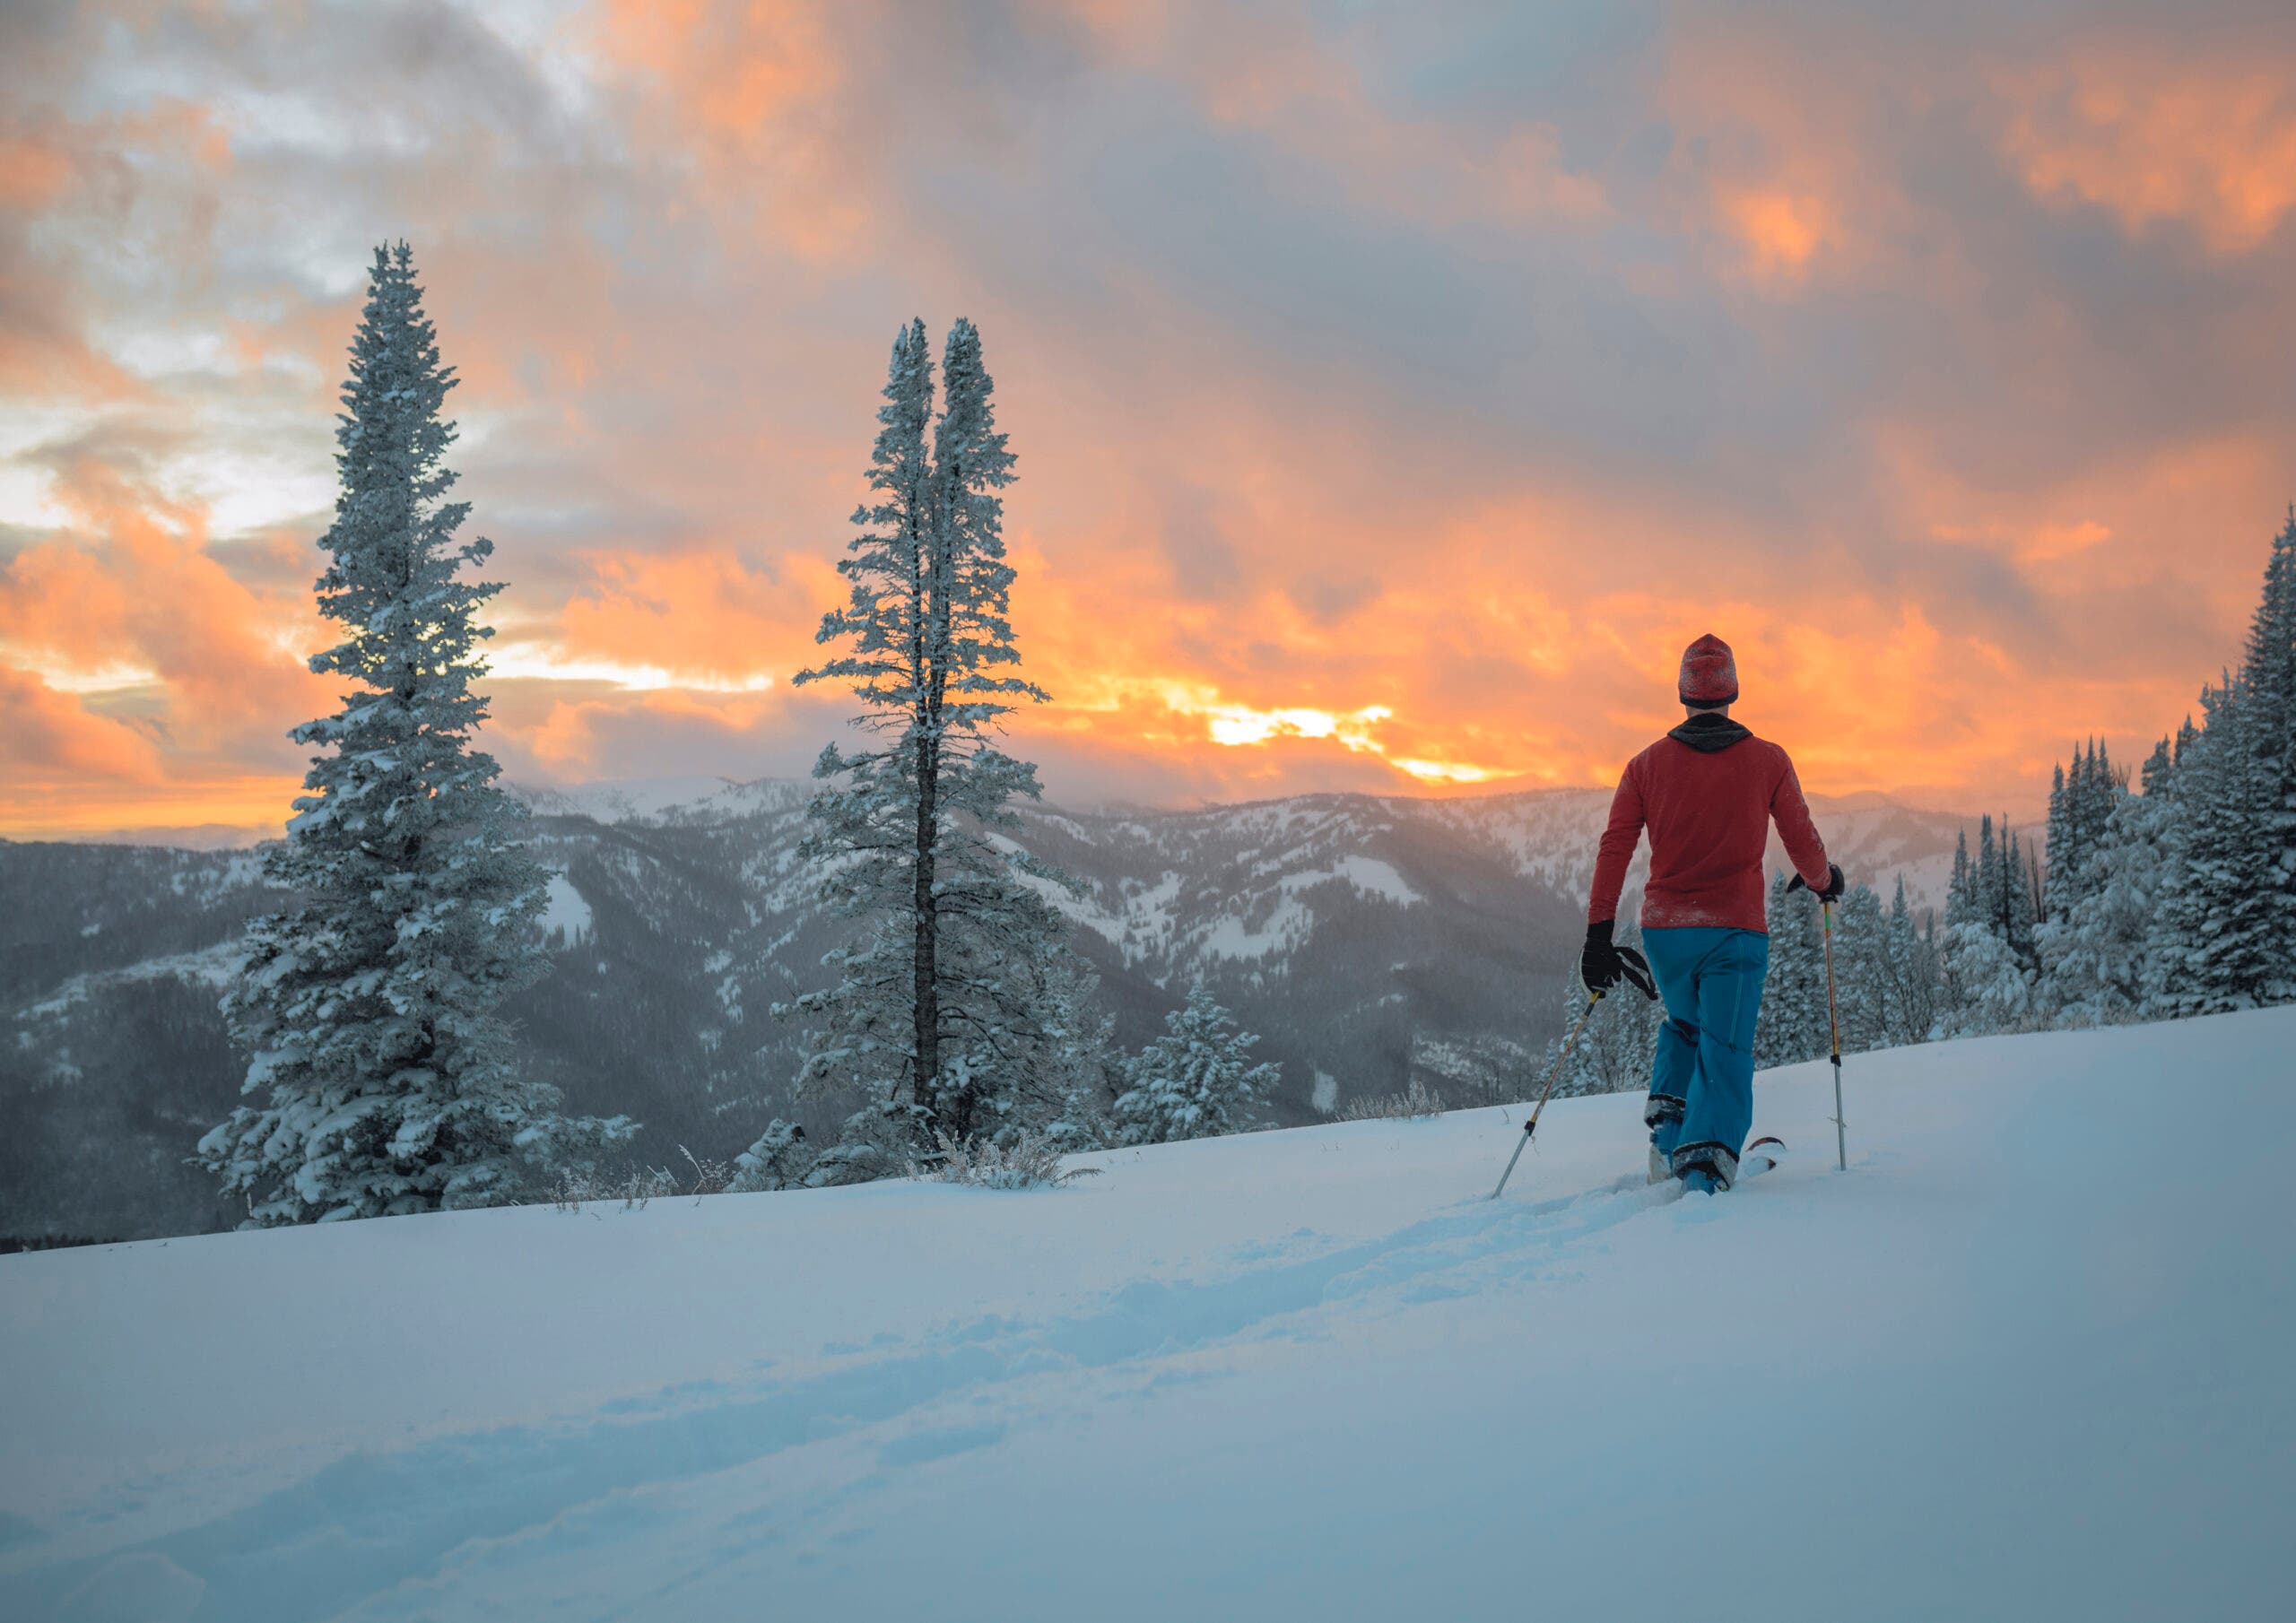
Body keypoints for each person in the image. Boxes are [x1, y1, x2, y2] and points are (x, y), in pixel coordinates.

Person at [1580, 633, 1841, 1194]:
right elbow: (1804, 843)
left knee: (1685, 1027)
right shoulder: (1768, 760)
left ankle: (1668, 1145)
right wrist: (1825, 882)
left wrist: (1598, 934)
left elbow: (1614, 849)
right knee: (1723, 1049)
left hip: (1666, 935)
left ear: (1683, 694)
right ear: (1733, 692)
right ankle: (1701, 1177)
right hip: (1735, 933)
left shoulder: (1644, 766)